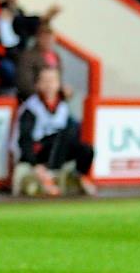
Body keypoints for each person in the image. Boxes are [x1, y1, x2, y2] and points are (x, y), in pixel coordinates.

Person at [12, 66, 97, 197]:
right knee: (61, 135)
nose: (49, 85)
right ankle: (50, 176)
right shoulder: (31, 108)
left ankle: (78, 176)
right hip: (37, 151)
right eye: (45, 81)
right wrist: (34, 164)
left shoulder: (62, 107)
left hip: (58, 150)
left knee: (85, 148)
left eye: (52, 81)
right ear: (37, 84)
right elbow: (24, 140)